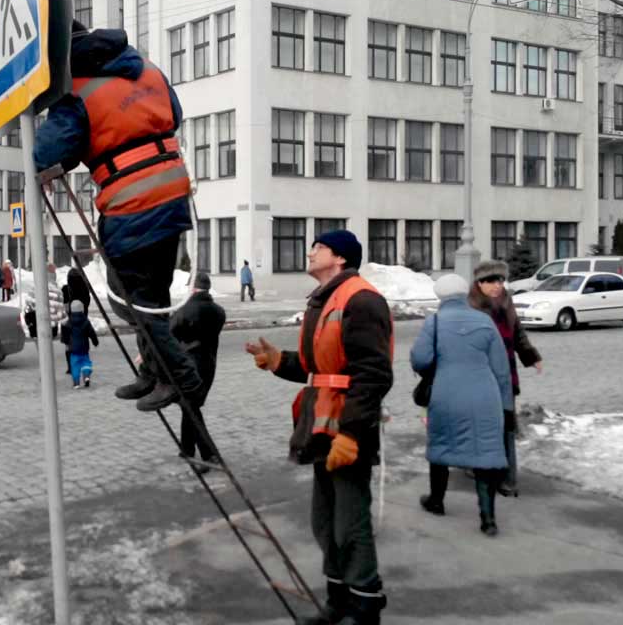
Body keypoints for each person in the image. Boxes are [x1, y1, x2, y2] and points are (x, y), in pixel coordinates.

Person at [34, 21, 201, 413]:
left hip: (132, 200)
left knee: (129, 300)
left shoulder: (75, 87)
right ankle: (156, 373)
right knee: (152, 296)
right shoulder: (145, 66)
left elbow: (52, 149)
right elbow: (172, 113)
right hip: (173, 188)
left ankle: (179, 374)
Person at [245, 230, 393, 625]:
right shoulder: (325, 299)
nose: (311, 252)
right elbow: (320, 370)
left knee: (350, 522)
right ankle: (338, 600)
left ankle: (365, 603)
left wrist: (351, 434)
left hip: (346, 426)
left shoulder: (362, 299)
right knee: (325, 521)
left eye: (320, 248)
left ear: (341, 258)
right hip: (320, 423)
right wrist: (278, 360)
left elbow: (373, 375)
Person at [410, 274, 513, 538]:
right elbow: (501, 369)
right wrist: (506, 406)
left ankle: (436, 501)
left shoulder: (434, 322)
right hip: (484, 395)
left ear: (440, 296)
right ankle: (488, 518)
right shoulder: (484, 321)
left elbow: (421, 359)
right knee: (485, 453)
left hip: (446, 393)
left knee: (441, 444)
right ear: (465, 294)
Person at [468, 260, 543, 498]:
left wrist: (531, 356)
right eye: (491, 281)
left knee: (506, 427)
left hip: (505, 375)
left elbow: (518, 332)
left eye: (500, 280)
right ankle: (478, 467)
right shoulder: (470, 307)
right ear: (479, 283)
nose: (497, 286)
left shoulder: (506, 302)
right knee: (481, 426)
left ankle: (508, 480)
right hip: (480, 376)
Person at [169, 271, 226, 472]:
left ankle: (209, 455)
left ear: (192, 288)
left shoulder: (184, 310)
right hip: (209, 365)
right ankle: (187, 449)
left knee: (190, 407)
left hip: (188, 367)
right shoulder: (219, 312)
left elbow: (168, 335)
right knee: (189, 405)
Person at [60, 299, 98, 389]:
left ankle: (76, 383)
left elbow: (65, 336)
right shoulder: (86, 321)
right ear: (82, 309)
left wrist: (66, 342)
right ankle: (86, 376)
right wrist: (95, 341)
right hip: (84, 348)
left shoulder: (69, 322)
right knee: (86, 362)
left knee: (75, 365)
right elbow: (91, 333)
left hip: (73, 349)